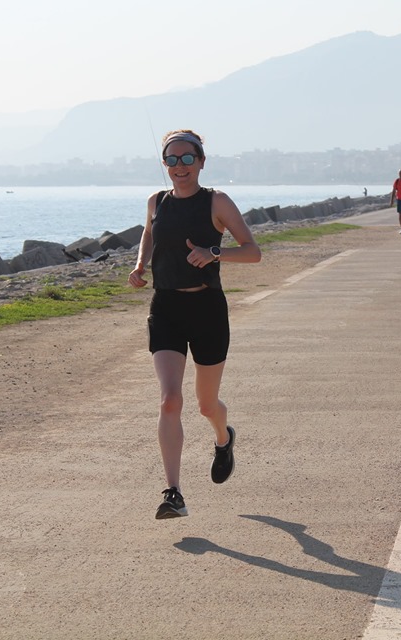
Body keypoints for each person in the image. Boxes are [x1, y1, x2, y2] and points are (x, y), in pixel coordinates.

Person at [129, 129, 262, 520]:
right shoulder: (156, 202)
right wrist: (139, 265)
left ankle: (224, 438)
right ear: (165, 164)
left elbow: (253, 252)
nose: (179, 167)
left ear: (201, 161)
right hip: (165, 307)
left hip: (207, 309)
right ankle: (174, 492)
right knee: (170, 399)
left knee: (207, 405)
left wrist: (213, 252)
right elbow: (149, 234)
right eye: (172, 160)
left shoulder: (216, 201)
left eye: (187, 159)